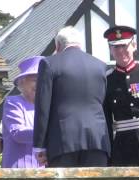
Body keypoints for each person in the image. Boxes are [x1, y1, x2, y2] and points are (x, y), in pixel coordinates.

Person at [33, 26, 110, 167]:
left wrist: (39, 145)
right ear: (80, 44)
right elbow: (103, 102)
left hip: (62, 142)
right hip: (98, 140)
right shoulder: (100, 66)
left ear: (57, 45)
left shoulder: (49, 63)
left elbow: (42, 107)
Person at [103, 25, 139, 166]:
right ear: (110, 50)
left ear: (134, 45)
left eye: (124, 45)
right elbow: (107, 120)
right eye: (115, 47)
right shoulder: (108, 80)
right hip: (123, 147)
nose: (120, 51)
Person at [2, 56, 44, 168]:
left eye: (44, 80)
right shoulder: (13, 102)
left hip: (43, 170)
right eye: (35, 80)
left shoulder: (49, 106)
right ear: (22, 83)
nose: (40, 84)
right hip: (18, 170)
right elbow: (18, 134)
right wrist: (48, 132)